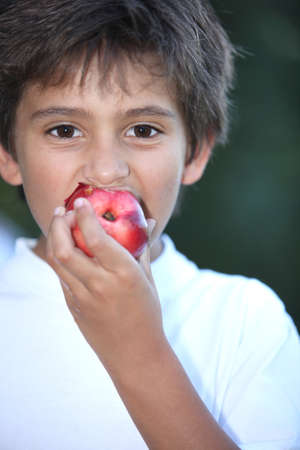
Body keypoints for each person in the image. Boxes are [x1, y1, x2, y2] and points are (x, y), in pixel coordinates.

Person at [0, 1, 299, 449]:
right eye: (64, 130)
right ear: (8, 155)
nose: (104, 171)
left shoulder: (245, 322)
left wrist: (138, 352)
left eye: (142, 130)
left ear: (195, 154)